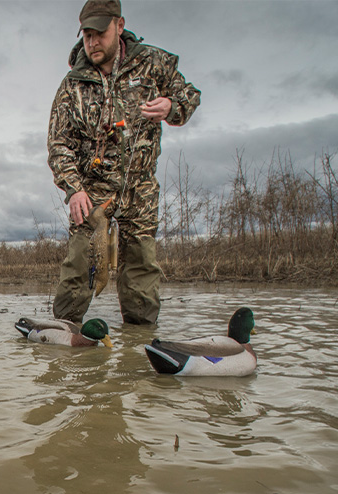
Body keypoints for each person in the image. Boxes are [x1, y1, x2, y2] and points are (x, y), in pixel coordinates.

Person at [47, 0, 200, 326]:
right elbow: (59, 144)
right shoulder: (72, 85)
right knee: (81, 266)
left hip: (140, 185)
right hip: (92, 191)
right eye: (86, 35)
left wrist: (172, 106)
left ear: (119, 25)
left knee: (141, 268)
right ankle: (63, 338)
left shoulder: (153, 64)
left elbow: (189, 95)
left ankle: (139, 349)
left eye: (99, 33)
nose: (92, 42)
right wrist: (74, 189)